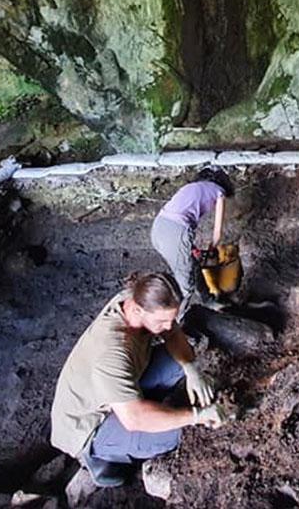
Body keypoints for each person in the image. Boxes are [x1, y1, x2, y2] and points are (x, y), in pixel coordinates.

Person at [50, 272, 226, 489]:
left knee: (178, 362)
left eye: (172, 319)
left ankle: (144, 401)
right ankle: (99, 459)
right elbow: (135, 420)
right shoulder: (112, 351)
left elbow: (172, 334)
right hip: (91, 424)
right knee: (179, 434)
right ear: (137, 310)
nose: (169, 326)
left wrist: (192, 370)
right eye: (162, 321)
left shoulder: (137, 298)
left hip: (121, 383)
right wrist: (196, 416)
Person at [150, 166, 235, 314]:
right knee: (186, 286)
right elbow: (218, 232)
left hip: (158, 229)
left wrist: (192, 249)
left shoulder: (190, 187)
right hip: (176, 232)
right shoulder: (219, 192)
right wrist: (211, 248)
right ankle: (175, 321)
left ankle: (209, 301)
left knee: (193, 266)